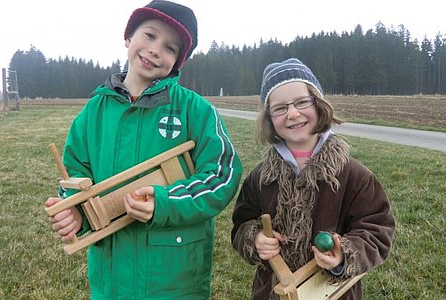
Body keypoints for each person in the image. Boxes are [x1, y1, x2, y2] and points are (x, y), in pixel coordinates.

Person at [45, 1, 243, 299]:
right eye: (149, 35)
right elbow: (77, 173)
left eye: (169, 48)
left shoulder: (195, 110)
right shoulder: (93, 114)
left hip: (175, 279)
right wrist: (74, 210)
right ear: (128, 38)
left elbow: (222, 175)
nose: (154, 50)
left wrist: (164, 202)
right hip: (111, 278)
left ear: (177, 61)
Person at [231, 58, 395, 299]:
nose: (293, 114)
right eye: (280, 108)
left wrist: (343, 255)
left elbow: (377, 229)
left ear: (319, 104)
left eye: (301, 102)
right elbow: (241, 224)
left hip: (334, 292)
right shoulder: (260, 177)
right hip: (272, 292)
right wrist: (254, 239)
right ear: (269, 119)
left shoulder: (354, 175)